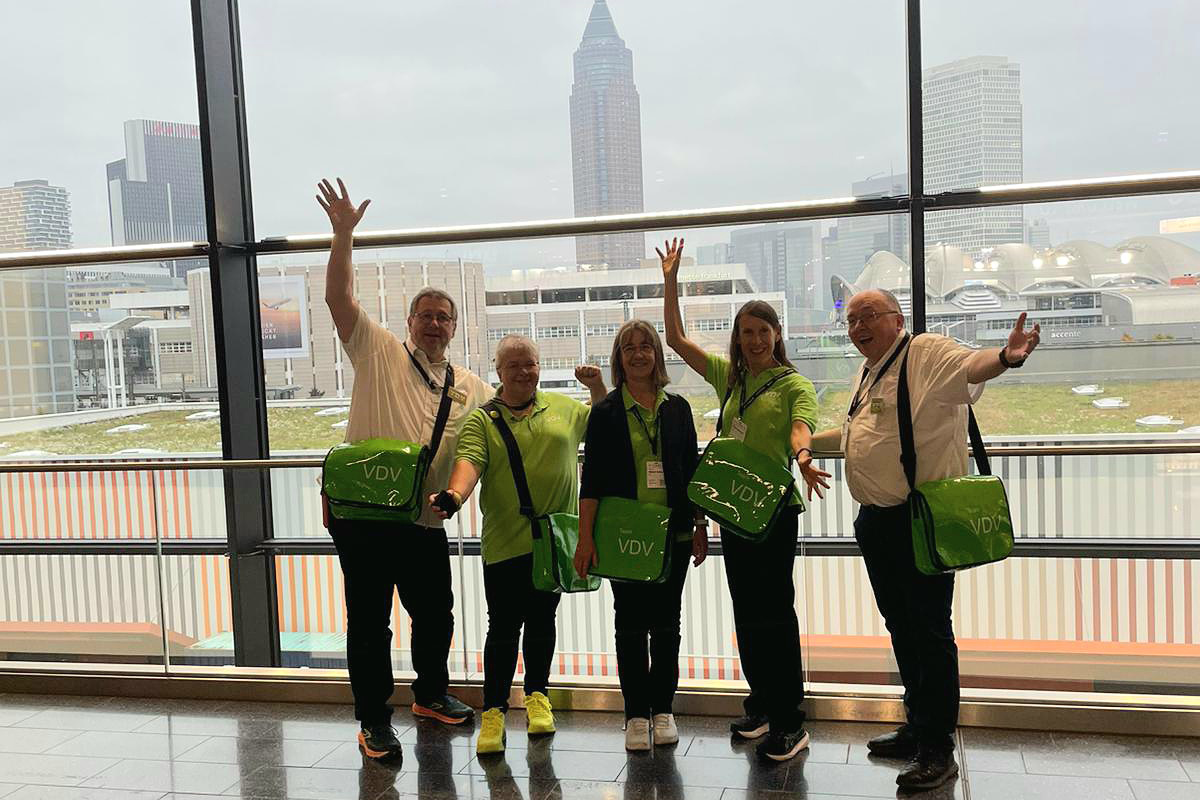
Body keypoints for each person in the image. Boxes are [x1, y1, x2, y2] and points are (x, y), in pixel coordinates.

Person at [812, 288, 1040, 791]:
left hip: (918, 521)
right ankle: (918, 727)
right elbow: (859, 435)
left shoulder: (927, 352)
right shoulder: (869, 371)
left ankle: (939, 749)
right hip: (877, 522)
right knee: (902, 628)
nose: (857, 328)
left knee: (930, 634)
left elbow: (974, 365)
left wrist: (1006, 356)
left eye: (867, 316)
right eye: (850, 321)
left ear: (897, 319)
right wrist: (804, 443)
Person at [317, 178, 493, 763]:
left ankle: (430, 694)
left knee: (435, 614)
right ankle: (372, 720)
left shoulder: (469, 386)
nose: (435, 324)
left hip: (425, 519)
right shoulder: (378, 350)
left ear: (455, 326)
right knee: (369, 625)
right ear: (410, 320)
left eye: (445, 317)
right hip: (364, 519)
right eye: (426, 315)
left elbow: (512, 422)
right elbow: (339, 300)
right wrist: (344, 235)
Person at [657, 237, 830, 762]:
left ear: (777, 335)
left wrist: (802, 459)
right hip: (736, 511)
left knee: (775, 613)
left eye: (762, 332)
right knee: (747, 612)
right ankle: (760, 703)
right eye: (746, 332)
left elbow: (802, 428)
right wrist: (670, 281)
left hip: (774, 513)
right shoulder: (730, 378)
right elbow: (675, 338)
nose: (754, 340)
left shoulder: (793, 383)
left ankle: (789, 719)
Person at [430, 335, 607, 756]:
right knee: (504, 628)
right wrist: (453, 497)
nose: (524, 372)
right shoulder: (482, 421)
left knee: (544, 619)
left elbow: (604, 418)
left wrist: (597, 385)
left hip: (553, 541)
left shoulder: (563, 409)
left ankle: (537, 697)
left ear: (539, 367)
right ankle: (493, 711)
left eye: (529, 364)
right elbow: (468, 463)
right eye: (514, 366)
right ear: (499, 372)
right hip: (506, 543)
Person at [573, 319, 709, 751]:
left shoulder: (678, 409)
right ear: (619, 358)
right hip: (624, 536)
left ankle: (663, 709)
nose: (638, 354)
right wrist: (585, 537)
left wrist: (701, 525)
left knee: (668, 624)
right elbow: (591, 480)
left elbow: (691, 473)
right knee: (630, 625)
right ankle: (635, 714)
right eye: (628, 348)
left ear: (656, 355)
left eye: (645, 346)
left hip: (674, 535)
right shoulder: (607, 412)